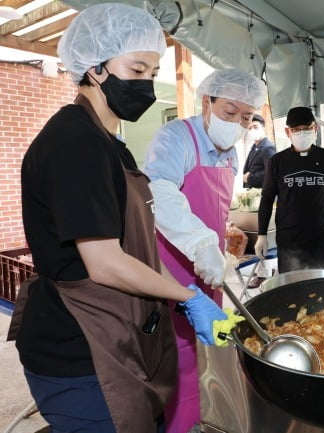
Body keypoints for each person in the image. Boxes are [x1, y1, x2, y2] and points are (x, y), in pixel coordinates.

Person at [11, 4, 231, 433]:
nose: (147, 84)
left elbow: (135, 243)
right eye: (136, 69)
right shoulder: (74, 144)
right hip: (79, 348)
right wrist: (187, 299)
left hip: (117, 335)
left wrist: (179, 284)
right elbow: (104, 261)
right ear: (94, 68)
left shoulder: (111, 144)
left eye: (152, 71)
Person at [143, 69, 266, 433]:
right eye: (229, 112)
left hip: (208, 270)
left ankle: (205, 421)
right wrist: (200, 244)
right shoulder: (176, 138)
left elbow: (209, 205)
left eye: (245, 117)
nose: (237, 124)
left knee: (207, 353)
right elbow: (160, 194)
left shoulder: (230, 155)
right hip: (172, 271)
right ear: (206, 102)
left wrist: (223, 233)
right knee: (176, 358)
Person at [255, 106, 324, 273]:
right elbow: (267, 198)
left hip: (322, 239)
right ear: (287, 132)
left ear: (315, 129)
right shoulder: (277, 161)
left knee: (323, 287)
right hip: (289, 241)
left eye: (307, 129)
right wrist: (261, 234)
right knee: (292, 290)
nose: (302, 133)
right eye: (296, 130)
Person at [242, 113, 276, 188]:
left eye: (255, 127)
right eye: (250, 128)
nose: (252, 130)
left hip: (262, 194)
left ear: (263, 128)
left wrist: (249, 178)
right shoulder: (254, 147)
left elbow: (271, 173)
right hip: (251, 193)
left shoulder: (268, 148)